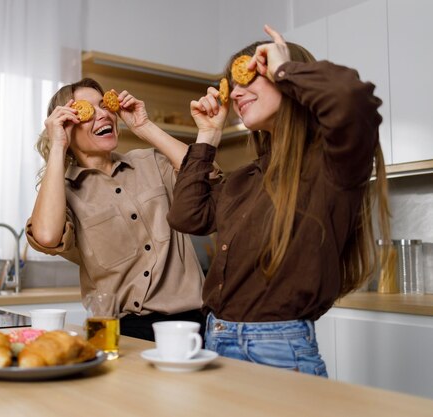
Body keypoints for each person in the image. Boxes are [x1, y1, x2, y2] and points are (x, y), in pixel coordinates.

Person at [167, 25, 390, 376]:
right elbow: (187, 217)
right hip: (214, 342)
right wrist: (208, 135)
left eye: (252, 76)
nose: (237, 93)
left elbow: (353, 99)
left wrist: (285, 70)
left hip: (279, 350)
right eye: (234, 85)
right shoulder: (245, 178)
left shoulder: (331, 165)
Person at [26, 78, 210, 341]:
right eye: (86, 111)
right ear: (66, 126)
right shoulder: (63, 191)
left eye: (104, 106)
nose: (102, 114)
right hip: (123, 333)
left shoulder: (152, 163)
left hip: (193, 324)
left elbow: (205, 174)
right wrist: (58, 146)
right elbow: (46, 236)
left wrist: (144, 127)